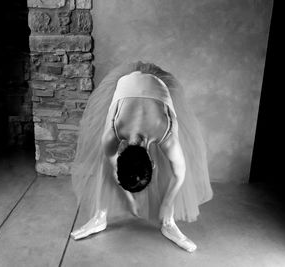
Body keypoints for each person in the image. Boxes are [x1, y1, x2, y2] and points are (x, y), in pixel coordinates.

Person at [70, 62, 213, 252]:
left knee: (173, 171)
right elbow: (112, 167)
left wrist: (167, 204)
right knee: (104, 163)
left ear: (153, 162)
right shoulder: (111, 133)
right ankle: (99, 217)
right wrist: (128, 198)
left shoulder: (167, 133)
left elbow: (180, 173)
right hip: (126, 88)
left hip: (156, 87)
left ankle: (169, 223)